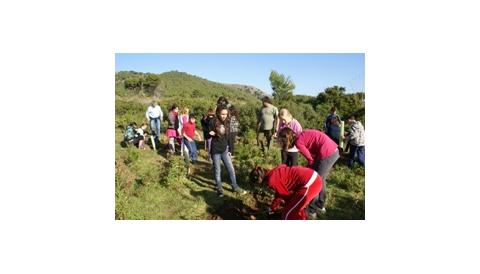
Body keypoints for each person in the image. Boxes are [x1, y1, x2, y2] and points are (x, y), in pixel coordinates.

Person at [277, 128, 340, 217]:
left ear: (286, 139)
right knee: (321, 179)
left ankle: (311, 210)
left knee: (315, 180)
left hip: (327, 153)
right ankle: (320, 205)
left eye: (281, 141)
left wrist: (306, 172)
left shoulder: (298, 142)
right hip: (332, 151)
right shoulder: (301, 135)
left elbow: (310, 160)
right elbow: (312, 155)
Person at [249, 165, 322, 220]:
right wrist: (273, 207)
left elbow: (285, 195)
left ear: (259, 180)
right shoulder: (273, 171)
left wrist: (286, 206)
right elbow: (279, 194)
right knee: (295, 208)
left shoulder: (271, 180)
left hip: (311, 183)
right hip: (311, 176)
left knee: (287, 215)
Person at [208, 105, 247, 197]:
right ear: (218, 113)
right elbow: (207, 133)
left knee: (231, 169)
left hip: (225, 150)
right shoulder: (213, 121)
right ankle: (219, 188)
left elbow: (229, 137)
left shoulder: (228, 122)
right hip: (216, 150)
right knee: (217, 170)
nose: (224, 116)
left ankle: (235, 187)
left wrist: (230, 149)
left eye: (225, 114)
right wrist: (210, 133)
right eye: (222, 114)